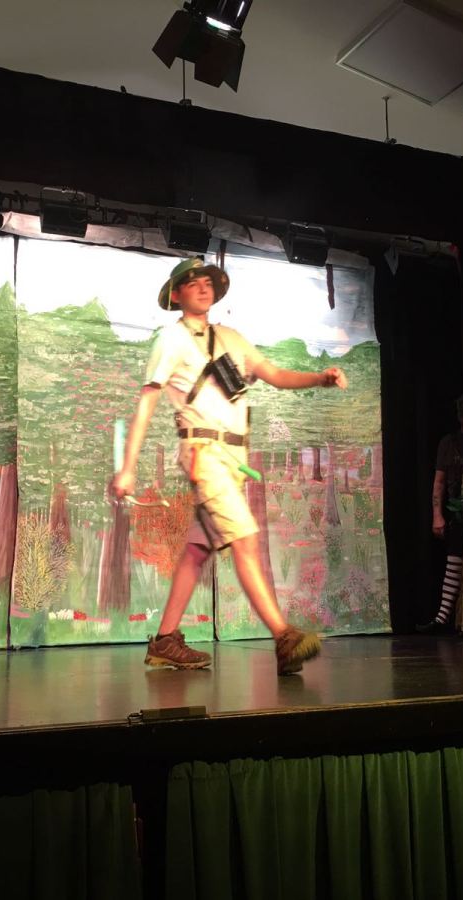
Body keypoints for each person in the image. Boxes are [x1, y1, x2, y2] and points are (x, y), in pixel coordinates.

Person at [110, 258, 348, 675]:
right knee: (245, 540)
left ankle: (165, 641)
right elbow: (147, 402)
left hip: (233, 459)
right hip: (204, 454)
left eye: (208, 282)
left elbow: (273, 373)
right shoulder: (171, 339)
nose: (203, 287)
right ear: (176, 294)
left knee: (197, 551)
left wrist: (319, 378)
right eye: (193, 283)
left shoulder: (232, 338)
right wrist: (127, 468)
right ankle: (283, 637)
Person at [419, 395, 463, 633]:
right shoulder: (449, 442)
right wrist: (437, 515)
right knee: (454, 560)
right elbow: (439, 481)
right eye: (460, 408)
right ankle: (443, 617)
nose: (462, 412)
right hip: (458, 509)